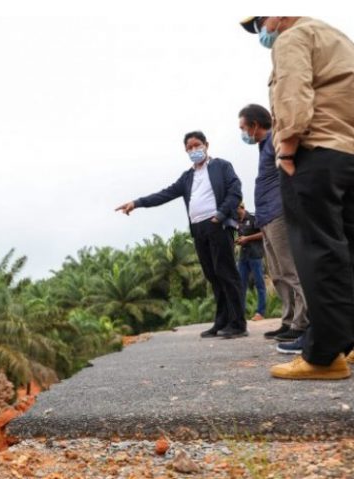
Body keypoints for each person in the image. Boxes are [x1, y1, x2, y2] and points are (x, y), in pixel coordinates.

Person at [240, 17, 354, 379]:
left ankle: (324, 355)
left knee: (317, 253)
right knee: (346, 250)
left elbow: (292, 90)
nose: (261, 29)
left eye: (259, 21)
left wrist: (287, 147)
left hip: (315, 152)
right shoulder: (337, 39)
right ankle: (348, 345)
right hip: (347, 153)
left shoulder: (292, 38)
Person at [116, 131, 246, 339]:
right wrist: (137, 203)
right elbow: (164, 194)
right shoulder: (188, 177)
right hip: (198, 229)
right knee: (213, 275)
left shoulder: (222, 166)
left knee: (226, 273)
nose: (194, 150)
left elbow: (235, 190)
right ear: (186, 151)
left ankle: (238, 324)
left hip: (217, 225)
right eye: (190, 147)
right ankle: (221, 322)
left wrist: (220, 214)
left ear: (206, 145)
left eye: (197, 145)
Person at [237, 104, 309, 345]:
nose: (243, 133)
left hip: (279, 214)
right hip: (265, 217)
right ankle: (288, 321)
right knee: (277, 274)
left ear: (255, 125)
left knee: (290, 270)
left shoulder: (274, 140)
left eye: (243, 127)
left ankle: (303, 323)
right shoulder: (262, 146)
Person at [235, 202, 266, 322]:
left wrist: (247, 238)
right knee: (240, 285)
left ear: (241, 208)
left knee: (259, 284)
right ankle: (240, 313)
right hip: (243, 256)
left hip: (255, 255)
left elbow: (263, 233)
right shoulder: (238, 222)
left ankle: (260, 312)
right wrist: (239, 240)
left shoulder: (253, 218)